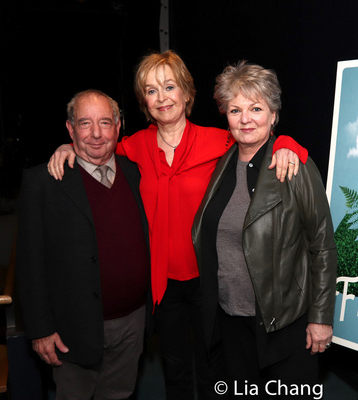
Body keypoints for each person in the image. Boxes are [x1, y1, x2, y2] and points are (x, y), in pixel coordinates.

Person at [47, 51, 308, 399]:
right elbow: (95, 146)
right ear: (144, 102)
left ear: (186, 92)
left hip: (211, 279)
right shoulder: (133, 147)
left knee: (215, 369)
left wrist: (288, 144)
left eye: (169, 87)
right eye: (151, 91)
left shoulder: (220, 140)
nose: (162, 97)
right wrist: (67, 147)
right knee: (175, 371)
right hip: (162, 284)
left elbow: (262, 139)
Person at [192, 61, 337, 399]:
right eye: (235, 110)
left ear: (273, 115)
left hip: (284, 325)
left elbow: (322, 246)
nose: (245, 119)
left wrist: (321, 317)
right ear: (225, 116)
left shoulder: (294, 165)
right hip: (231, 322)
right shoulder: (222, 166)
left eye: (256, 108)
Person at [16, 89, 150, 399]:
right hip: (70, 329)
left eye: (104, 122)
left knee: (120, 395)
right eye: (85, 123)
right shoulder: (44, 182)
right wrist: (39, 330)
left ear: (119, 126)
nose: (95, 133)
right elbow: (30, 262)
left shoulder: (136, 173)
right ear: (70, 128)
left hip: (133, 323)